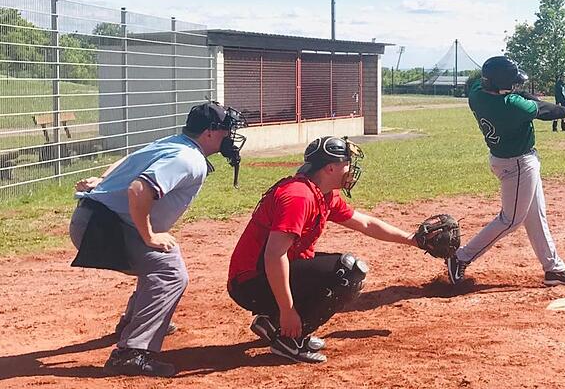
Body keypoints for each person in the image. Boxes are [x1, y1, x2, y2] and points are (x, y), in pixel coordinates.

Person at [68, 101, 246, 377]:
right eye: (225, 130)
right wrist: (148, 235)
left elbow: (128, 161)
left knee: (159, 260)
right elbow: (139, 189)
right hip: (103, 226)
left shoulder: (177, 143)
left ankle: (133, 322)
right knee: (170, 270)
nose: (229, 137)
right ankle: (131, 353)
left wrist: (101, 181)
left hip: (98, 219)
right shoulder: (189, 158)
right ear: (210, 132)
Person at [228, 136, 419, 364]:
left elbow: (365, 224)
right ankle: (290, 339)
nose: (351, 170)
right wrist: (288, 310)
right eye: (346, 164)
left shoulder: (322, 193)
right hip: (251, 282)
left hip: (261, 276)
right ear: (330, 168)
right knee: (348, 272)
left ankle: (271, 322)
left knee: (335, 268)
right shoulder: (299, 197)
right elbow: (274, 255)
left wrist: (413, 239)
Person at [445, 56, 565, 287]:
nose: (515, 86)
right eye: (511, 82)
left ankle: (553, 269)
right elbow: (540, 110)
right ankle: (461, 258)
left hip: (504, 160)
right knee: (511, 220)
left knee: (536, 216)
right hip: (518, 165)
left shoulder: (477, 92)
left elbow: (524, 97)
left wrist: (561, 110)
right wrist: (563, 112)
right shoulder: (509, 106)